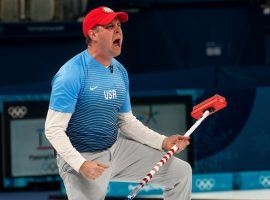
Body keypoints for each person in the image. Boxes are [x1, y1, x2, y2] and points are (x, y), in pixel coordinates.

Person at [45, 6, 192, 200]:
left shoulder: (120, 72)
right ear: (93, 34)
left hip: (118, 150)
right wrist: (81, 164)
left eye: (119, 25)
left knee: (181, 173)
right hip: (83, 157)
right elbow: (53, 129)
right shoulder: (71, 74)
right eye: (109, 26)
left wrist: (163, 141)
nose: (118, 30)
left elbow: (125, 121)